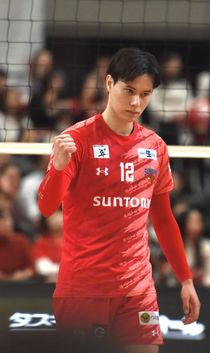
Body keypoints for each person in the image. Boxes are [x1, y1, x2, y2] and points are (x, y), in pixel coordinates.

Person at [38, 47, 200, 353]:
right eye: (129, 91)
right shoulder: (78, 140)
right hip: (82, 292)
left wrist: (186, 279)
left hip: (137, 292)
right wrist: (58, 170)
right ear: (109, 83)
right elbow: (46, 208)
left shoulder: (155, 146)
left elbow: (163, 219)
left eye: (145, 94)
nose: (136, 102)